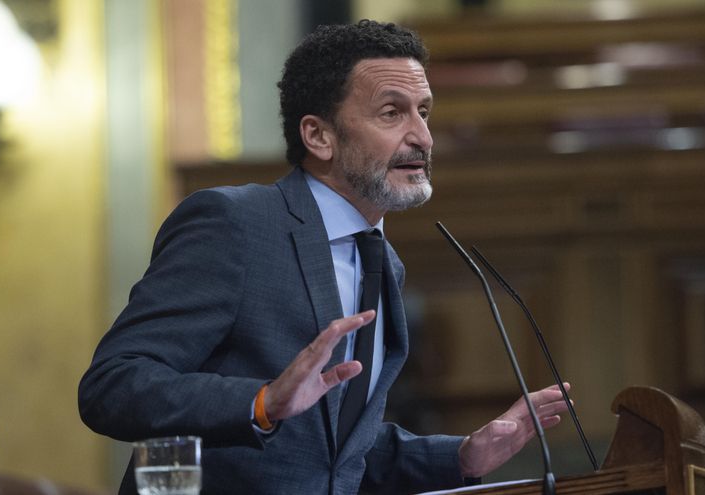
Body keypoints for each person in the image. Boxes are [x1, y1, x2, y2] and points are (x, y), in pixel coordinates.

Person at [78, 19, 569, 494]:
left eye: (424, 111)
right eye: (392, 112)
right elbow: (114, 385)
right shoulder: (235, 224)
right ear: (319, 136)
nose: (423, 136)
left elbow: (332, 452)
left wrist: (461, 455)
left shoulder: (382, 261)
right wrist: (262, 402)